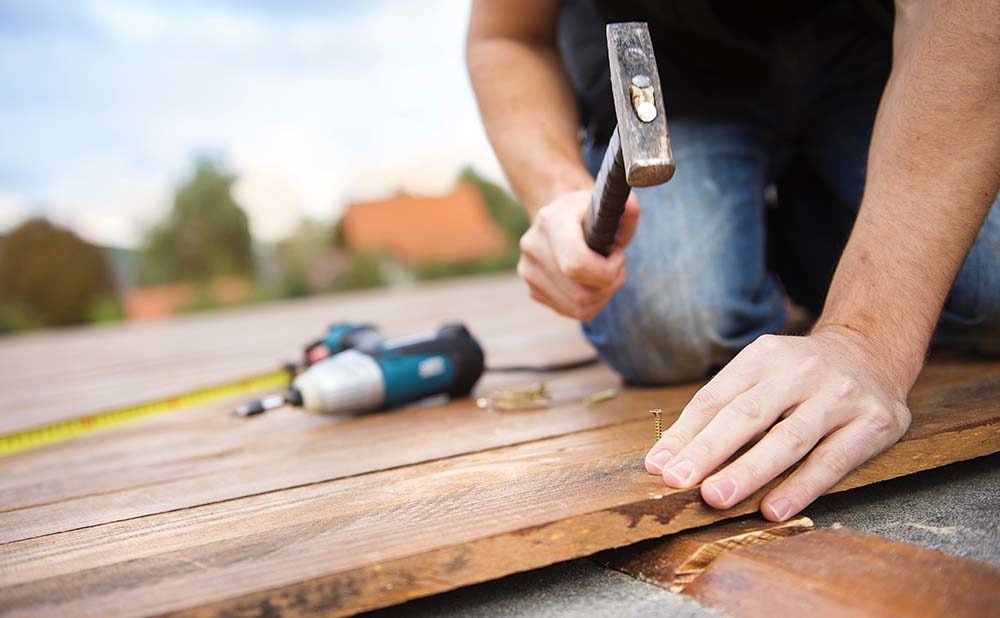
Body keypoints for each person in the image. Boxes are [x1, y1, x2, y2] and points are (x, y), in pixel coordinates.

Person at [466, 0, 1000, 522]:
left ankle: (803, 225)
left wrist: (869, 337)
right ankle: (778, 239)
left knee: (989, 285)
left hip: (877, 54)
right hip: (683, 78)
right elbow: (506, 36)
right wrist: (559, 191)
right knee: (672, 324)